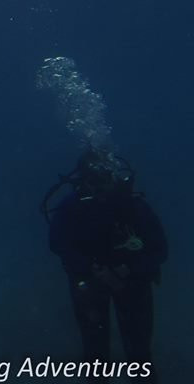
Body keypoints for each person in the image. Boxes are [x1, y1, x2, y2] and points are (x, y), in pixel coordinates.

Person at [46, 149, 167, 382]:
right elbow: (58, 244)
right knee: (95, 353)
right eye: (93, 180)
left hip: (132, 283)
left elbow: (160, 249)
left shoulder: (134, 206)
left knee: (139, 352)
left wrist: (129, 270)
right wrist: (94, 269)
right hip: (90, 284)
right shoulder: (72, 207)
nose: (99, 187)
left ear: (114, 176)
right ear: (83, 180)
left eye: (104, 178)